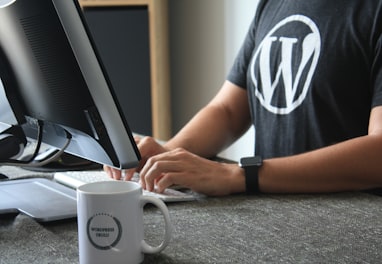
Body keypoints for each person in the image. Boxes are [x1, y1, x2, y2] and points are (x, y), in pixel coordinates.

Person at [105, 0, 382, 196]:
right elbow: (227, 110)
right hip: (275, 213)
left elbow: (378, 151)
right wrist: (170, 157)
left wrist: (239, 174)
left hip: (347, 226)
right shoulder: (272, 4)